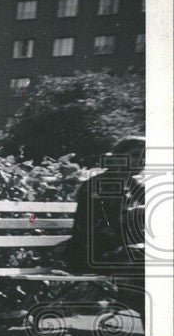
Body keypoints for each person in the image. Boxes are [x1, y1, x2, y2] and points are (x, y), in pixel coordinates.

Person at [62, 135, 146, 323]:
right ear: (116, 157)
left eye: (145, 156)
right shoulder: (99, 184)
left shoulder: (132, 185)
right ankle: (141, 308)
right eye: (135, 155)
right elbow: (100, 228)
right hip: (88, 254)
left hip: (118, 253)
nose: (141, 161)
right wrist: (135, 216)